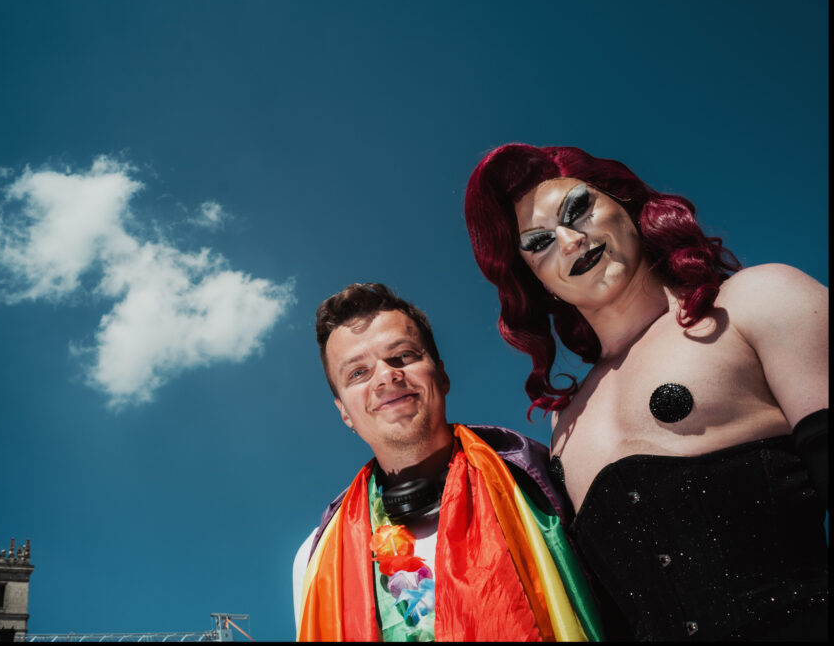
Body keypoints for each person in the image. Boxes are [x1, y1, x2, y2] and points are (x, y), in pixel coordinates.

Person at [464, 143, 828, 641]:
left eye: (577, 209)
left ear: (626, 203)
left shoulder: (759, 300)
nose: (569, 240)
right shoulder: (563, 426)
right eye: (539, 242)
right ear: (536, 281)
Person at [293, 283, 607, 642]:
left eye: (403, 356)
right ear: (344, 413)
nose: (385, 376)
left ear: (441, 376)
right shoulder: (314, 562)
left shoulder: (545, 484)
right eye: (358, 373)